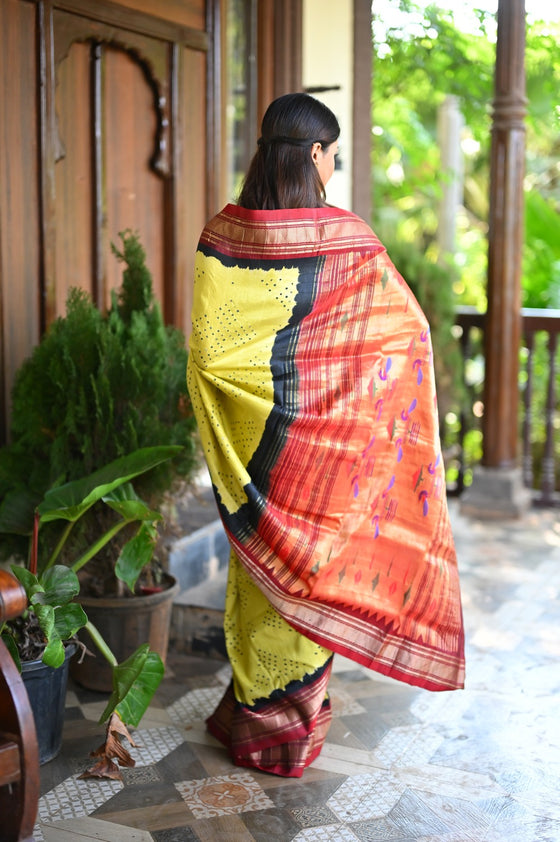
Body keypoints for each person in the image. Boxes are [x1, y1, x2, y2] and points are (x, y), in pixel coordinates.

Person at [186, 92, 465, 778]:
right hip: (325, 455)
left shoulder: (220, 236)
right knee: (309, 580)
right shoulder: (348, 244)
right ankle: (285, 736)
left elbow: (211, 354)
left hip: (254, 453)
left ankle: (255, 717)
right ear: (314, 154)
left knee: (258, 583)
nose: (333, 167)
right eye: (333, 155)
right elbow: (405, 333)